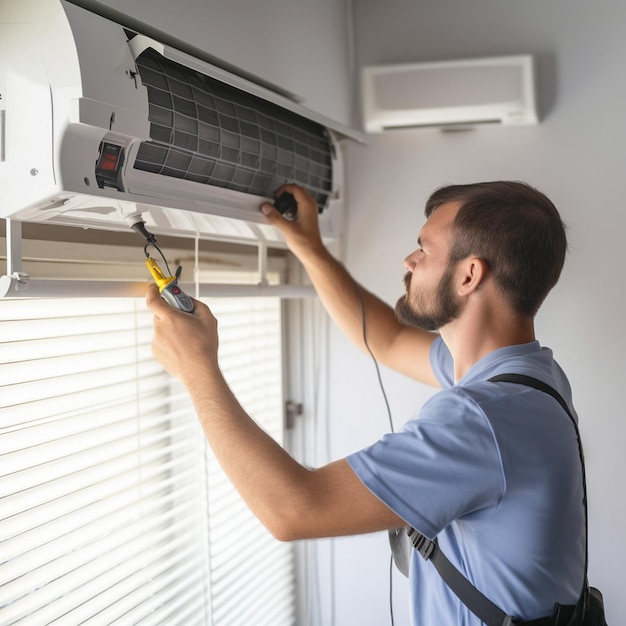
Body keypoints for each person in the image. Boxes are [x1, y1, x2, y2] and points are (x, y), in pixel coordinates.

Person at [146, 181, 585, 625]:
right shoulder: (528, 376)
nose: (409, 261)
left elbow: (293, 510)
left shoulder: (481, 417)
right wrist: (309, 247)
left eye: (424, 250)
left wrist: (196, 366)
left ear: (469, 275)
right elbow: (388, 340)